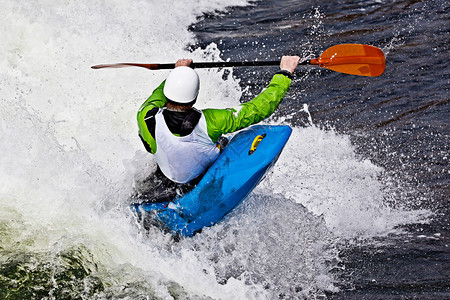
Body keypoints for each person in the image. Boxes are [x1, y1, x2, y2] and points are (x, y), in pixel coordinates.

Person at [135, 56, 300, 201]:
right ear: (195, 96)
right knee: (221, 141)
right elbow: (258, 109)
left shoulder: (145, 116)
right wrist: (284, 73)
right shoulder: (211, 121)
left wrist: (179, 73)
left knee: (152, 144)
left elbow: (158, 96)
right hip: (199, 179)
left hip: (168, 174)